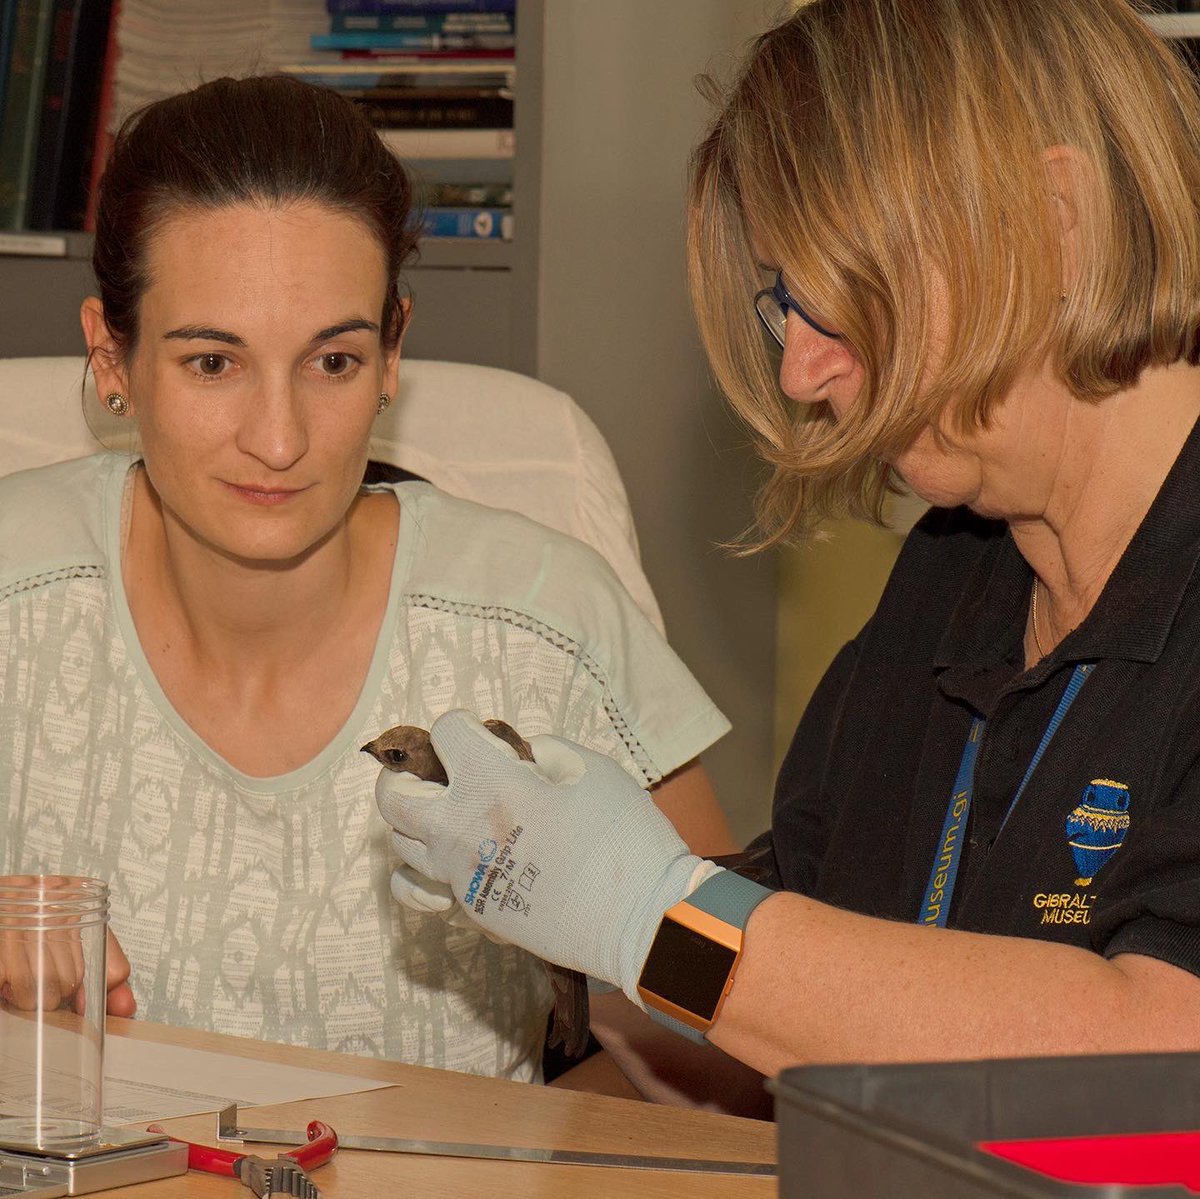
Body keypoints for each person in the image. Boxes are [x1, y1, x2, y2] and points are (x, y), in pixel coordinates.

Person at [377, 0, 1200, 1098]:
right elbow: (779, 1028)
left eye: (840, 297)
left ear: (1057, 220)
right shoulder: (955, 582)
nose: (801, 373)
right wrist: (568, 912)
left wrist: (651, 910)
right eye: (783, 310)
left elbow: (1162, 1060)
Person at [0, 74, 736, 1082]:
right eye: (212, 363)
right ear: (110, 356)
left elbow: (732, 1023)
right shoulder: (13, 591)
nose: (278, 437)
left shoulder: (545, 624)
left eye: (332, 362)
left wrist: (542, 1149)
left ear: (394, 352)